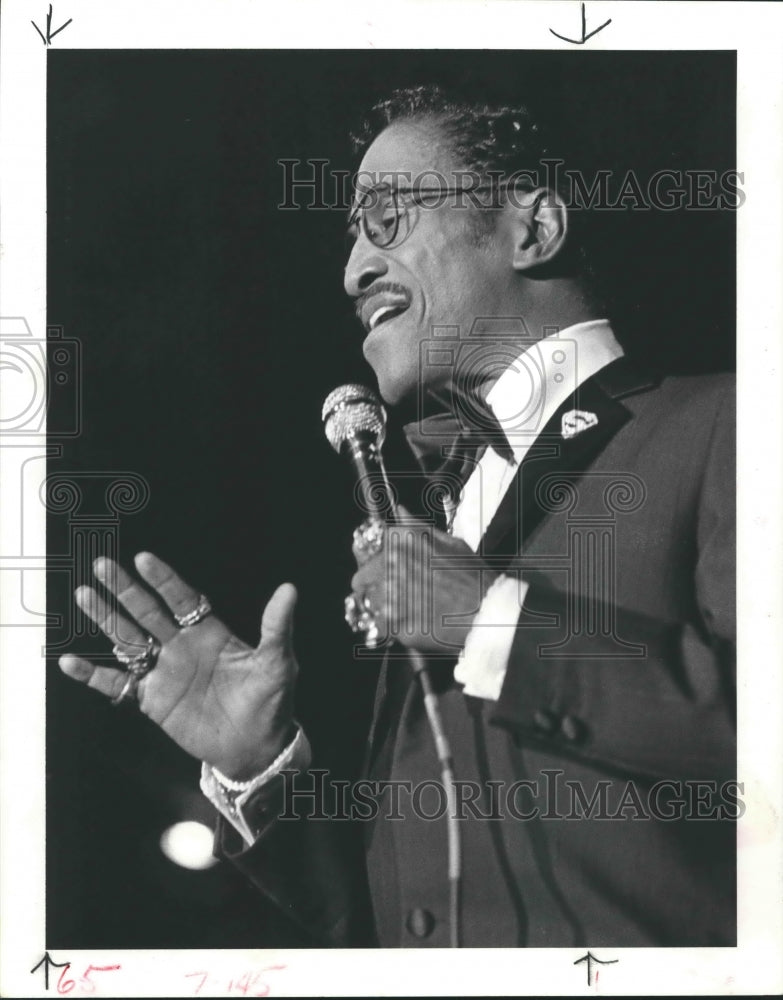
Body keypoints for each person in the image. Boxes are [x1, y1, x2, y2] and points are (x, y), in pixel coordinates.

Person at [60, 85, 736, 948]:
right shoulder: (444, 517)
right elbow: (406, 913)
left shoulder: (726, 424)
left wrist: (490, 624)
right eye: (351, 234)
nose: (352, 272)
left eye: (386, 219)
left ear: (533, 229)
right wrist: (256, 768)